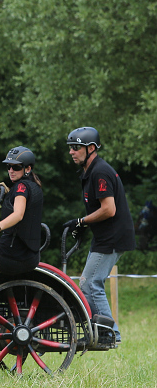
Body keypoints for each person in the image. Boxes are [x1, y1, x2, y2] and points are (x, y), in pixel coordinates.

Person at [64, 126, 135, 345]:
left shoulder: (100, 171)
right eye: (70, 148)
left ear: (91, 148)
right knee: (87, 282)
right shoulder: (90, 171)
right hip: (104, 236)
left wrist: (81, 221)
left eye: (76, 147)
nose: (71, 152)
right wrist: (84, 224)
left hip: (112, 237)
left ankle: (111, 334)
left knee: (91, 283)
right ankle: (98, 330)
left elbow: (109, 209)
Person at [0, 146, 44, 274]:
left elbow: (19, 214)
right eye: (8, 167)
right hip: (30, 255)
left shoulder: (21, 187)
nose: (11, 170)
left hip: (13, 255)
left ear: (28, 168)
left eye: (16, 167)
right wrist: (9, 194)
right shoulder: (33, 185)